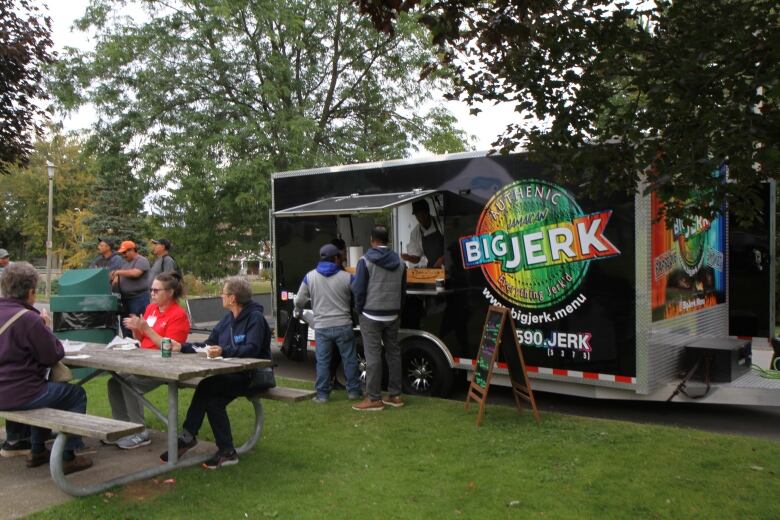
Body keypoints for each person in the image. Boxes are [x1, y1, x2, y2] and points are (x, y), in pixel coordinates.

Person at [162, 276, 272, 469]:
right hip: (232, 375)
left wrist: (224, 351)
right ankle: (227, 452)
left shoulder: (255, 318)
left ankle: (187, 437)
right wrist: (183, 346)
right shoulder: (228, 319)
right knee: (213, 402)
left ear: (232, 298)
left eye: (223, 293)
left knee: (207, 385)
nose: (220, 296)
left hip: (253, 376)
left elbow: (252, 349)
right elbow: (208, 344)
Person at [0, 262, 92, 473]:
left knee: (46, 391)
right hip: (19, 393)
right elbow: (53, 355)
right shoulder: (29, 320)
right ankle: (69, 455)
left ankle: (37, 450)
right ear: (31, 292)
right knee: (75, 394)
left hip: (7, 390)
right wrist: (45, 328)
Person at [106, 273, 190, 449]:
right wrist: (137, 329)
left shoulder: (178, 315)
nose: (152, 293)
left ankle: (140, 432)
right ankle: (122, 428)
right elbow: (142, 337)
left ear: (170, 293)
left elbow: (171, 348)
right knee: (114, 381)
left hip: (165, 366)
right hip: (143, 360)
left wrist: (146, 329)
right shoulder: (151, 309)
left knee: (128, 384)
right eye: (151, 290)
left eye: (156, 290)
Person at [294, 243, 362, 403]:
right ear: (336, 258)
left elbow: (299, 300)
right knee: (350, 360)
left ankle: (322, 395)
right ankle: (354, 392)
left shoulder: (310, 276)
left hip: (322, 327)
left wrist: (298, 311)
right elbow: (359, 293)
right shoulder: (347, 277)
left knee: (323, 362)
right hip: (343, 325)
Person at [351, 225, 407, 411]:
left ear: (372, 240)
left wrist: (359, 309)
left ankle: (374, 398)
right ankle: (395, 395)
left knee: (373, 355)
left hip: (370, 314)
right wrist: (399, 310)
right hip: (393, 313)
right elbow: (402, 291)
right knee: (393, 353)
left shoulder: (365, 261)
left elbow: (359, 289)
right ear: (388, 240)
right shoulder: (400, 262)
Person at [111, 241, 151, 337]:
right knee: (125, 323)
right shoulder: (125, 263)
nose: (123, 255)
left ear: (132, 250)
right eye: (122, 253)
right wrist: (116, 279)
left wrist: (118, 272)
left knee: (138, 322)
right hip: (125, 299)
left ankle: (144, 344)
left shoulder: (141, 260)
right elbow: (120, 275)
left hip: (139, 298)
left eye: (125, 252)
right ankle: (127, 342)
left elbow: (135, 273)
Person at [400, 199, 444, 269]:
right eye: (418, 216)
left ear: (428, 211)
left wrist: (443, 258)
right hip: (433, 270)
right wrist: (408, 258)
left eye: (423, 214)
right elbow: (417, 259)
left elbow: (453, 245)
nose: (421, 218)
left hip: (448, 267)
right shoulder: (415, 233)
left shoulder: (441, 223)